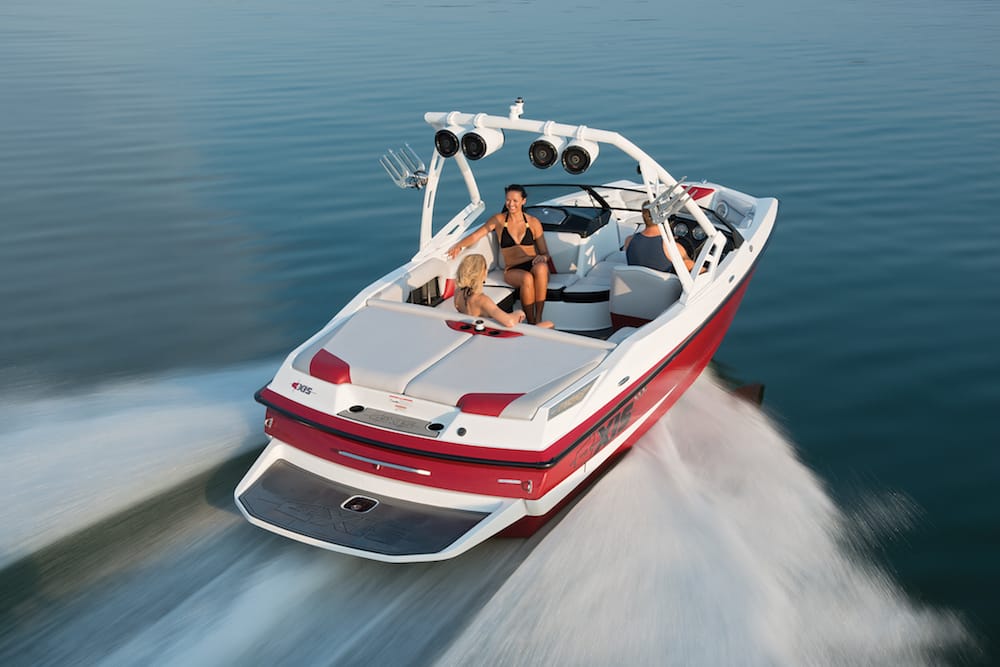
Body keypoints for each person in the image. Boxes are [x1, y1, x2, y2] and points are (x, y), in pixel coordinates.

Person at [447, 184, 551, 325]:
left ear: (523, 201)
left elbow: (545, 253)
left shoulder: (533, 223)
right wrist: (459, 245)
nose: (511, 204)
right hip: (512, 269)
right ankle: (531, 322)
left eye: (515, 201)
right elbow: (476, 235)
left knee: (542, 268)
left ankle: (538, 317)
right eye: (508, 200)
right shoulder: (499, 220)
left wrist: (542, 257)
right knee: (526, 278)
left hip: (533, 264)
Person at [453, 254, 553, 329]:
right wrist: (518, 313)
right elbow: (509, 322)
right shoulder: (482, 300)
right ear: (482, 273)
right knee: (549, 325)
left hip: (479, 331)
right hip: (499, 336)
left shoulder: (458, 293)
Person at [623, 206, 697, 273]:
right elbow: (692, 267)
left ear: (643, 217)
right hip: (666, 284)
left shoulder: (629, 240)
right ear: (663, 217)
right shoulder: (671, 246)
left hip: (636, 283)